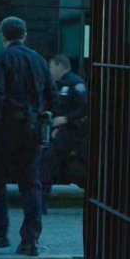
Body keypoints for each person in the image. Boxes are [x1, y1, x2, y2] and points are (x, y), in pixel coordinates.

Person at [0, 16, 57, 257]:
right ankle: (30, 240)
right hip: (32, 130)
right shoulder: (39, 60)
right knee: (31, 184)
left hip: (5, 130)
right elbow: (52, 95)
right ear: (24, 35)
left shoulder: (1, 60)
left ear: (4, 36)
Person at [41, 54, 88, 213]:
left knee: (48, 160)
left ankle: (42, 201)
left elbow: (84, 108)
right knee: (47, 161)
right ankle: (41, 201)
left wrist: (65, 119)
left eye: (52, 67)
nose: (50, 70)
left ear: (61, 66)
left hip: (75, 132)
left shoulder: (76, 84)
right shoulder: (61, 84)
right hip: (62, 131)